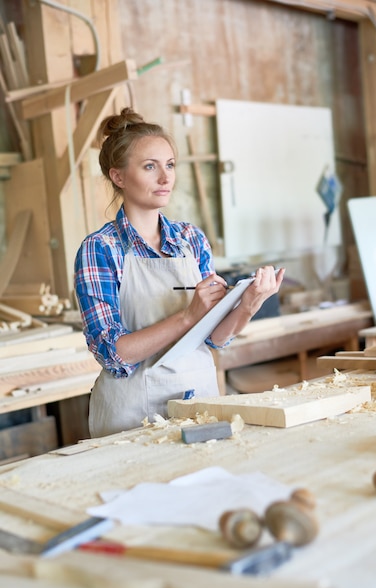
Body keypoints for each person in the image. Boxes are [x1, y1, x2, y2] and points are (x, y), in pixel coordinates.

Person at [74, 107, 285, 437]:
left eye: (170, 165)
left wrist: (248, 304)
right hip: (133, 420)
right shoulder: (101, 249)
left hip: (199, 404)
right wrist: (187, 317)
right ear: (118, 177)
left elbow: (215, 338)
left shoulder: (191, 239)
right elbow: (113, 354)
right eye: (150, 166)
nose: (165, 177)